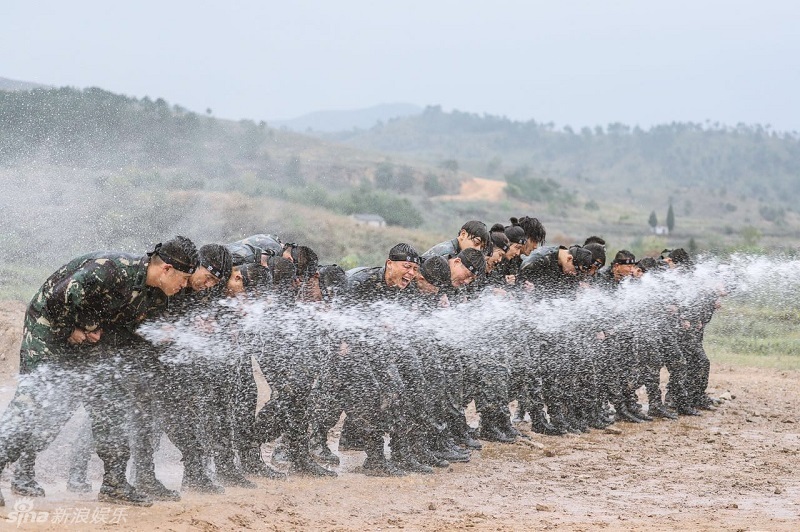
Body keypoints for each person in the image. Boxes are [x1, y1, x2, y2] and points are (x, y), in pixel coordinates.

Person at [0, 236, 198, 507]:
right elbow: (59, 297)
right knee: (35, 401)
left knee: (112, 404)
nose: (185, 286)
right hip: (49, 328)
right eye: (184, 279)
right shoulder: (111, 271)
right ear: (166, 269)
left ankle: (114, 484)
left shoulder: (155, 297)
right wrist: (72, 330)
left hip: (91, 339)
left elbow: (127, 333)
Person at [422, 221, 489, 259]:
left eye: (481, 247)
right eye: (476, 243)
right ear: (463, 234)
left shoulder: (457, 252)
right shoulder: (447, 252)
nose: (478, 249)